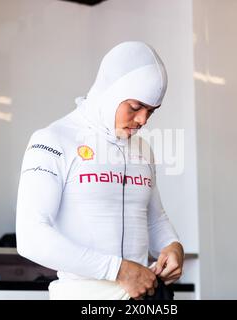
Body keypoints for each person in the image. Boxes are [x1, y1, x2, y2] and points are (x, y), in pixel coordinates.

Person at [16, 41, 184, 300]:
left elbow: (154, 218)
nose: (143, 120)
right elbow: (31, 236)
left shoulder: (142, 149)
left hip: (142, 298)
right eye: (136, 107)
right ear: (111, 92)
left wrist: (172, 246)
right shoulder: (53, 140)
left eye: (151, 111)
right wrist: (119, 271)